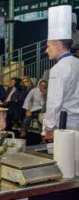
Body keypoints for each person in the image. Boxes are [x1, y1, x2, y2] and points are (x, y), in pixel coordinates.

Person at [43, 5, 79, 140]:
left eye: (48, 46)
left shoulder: (58, 69)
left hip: (63, 126)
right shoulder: (77, 63)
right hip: (76, 124)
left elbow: (54, 102)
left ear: (58, 45)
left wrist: (48, 127)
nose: (46, 50)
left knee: (62, 160)